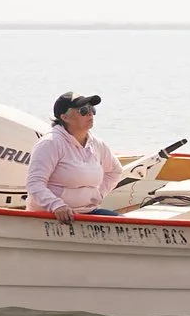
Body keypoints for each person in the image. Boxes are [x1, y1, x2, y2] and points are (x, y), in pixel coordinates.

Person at [26, 92, 124, 221]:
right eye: (83, 110)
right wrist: (56, 205)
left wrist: (98, 195)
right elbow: (34, 183)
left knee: (132, 225)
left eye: (91, 109)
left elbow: (115, 171)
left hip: (88, 211)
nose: (90, 114)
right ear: (65, 117)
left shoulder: (97, 144)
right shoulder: (50, 143)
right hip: (51, 215)